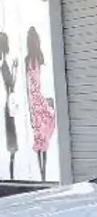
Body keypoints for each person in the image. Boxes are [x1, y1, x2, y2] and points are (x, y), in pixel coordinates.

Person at [25, 26, 54, 180]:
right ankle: (43, 172)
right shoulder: (39, 57)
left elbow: (28, 86)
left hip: (35, 102)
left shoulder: (29, 59)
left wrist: (30, 108)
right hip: (40, 100)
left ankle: (42, 171)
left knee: (39, 137)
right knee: (44, 136)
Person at [1, 32, 17, 180]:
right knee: (11, 141)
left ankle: (11, 174)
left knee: (11, 141)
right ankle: (10, 174)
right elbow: (11, 86)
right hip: (7, 104)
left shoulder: (4, 63)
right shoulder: (3, 64)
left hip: (8, 104)